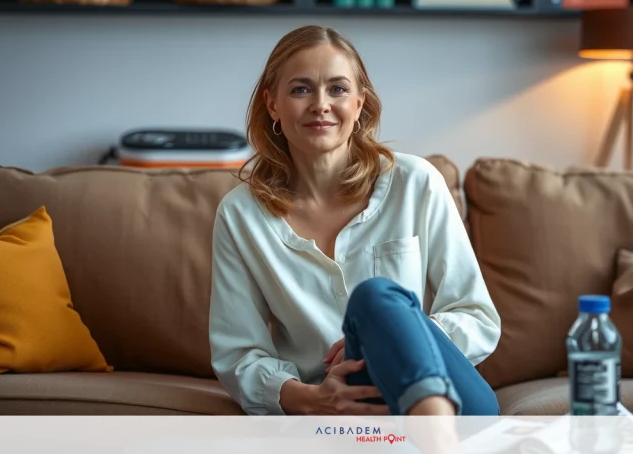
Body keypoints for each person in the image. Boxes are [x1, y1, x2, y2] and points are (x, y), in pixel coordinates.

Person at [209, 25, 501, 419]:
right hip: (335, 412)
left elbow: (476, 317)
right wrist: (310, 399)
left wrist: (389, 338)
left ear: (360, 102)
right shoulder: (240, 215)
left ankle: (429, 418)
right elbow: (238, 354)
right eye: (300, 89)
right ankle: (430, 438)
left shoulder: (416, 183)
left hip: (456, 400)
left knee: (375, 298)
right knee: (376, 307)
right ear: (272, 104)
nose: (320, 105)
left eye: (338, 89)